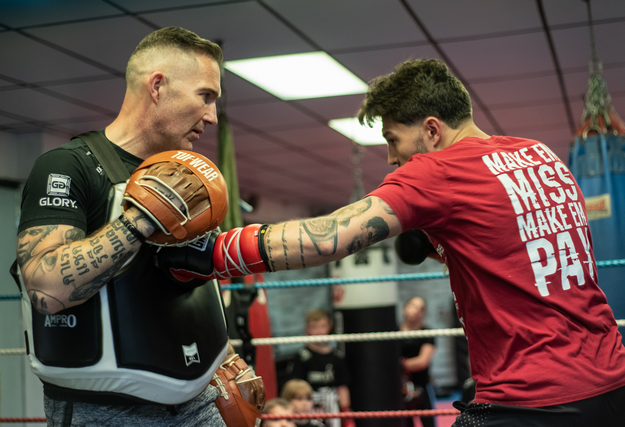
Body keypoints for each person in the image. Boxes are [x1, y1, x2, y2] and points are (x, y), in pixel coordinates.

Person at [178, 57, 625, 426]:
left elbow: (328, 239)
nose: (392, 158)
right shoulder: (540, 155)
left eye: (393, 140)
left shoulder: (440, 171)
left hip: (532, 400)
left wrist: (213, 252)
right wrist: (442, 245)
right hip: (612, 382)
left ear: (432, 130)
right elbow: (516, 248)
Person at [14, 27, 243, 426]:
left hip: (197, 397)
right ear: (157, 86)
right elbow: (45, 290)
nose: (211, 115)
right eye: (205, 96)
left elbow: (184, 282)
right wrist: (141, 219)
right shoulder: (69, 166)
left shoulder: (181, 176)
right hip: (108, 411)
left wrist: (225, 355)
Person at [288, 310, 354, 427]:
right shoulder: (302, 357)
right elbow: (294, 387)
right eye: (314, 327)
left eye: (323, 326)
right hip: (307, 405)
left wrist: (346, 414)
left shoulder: (336, 357)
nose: (319, 331)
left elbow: (342, 388)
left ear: (329, 328)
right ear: (307, 329)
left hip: (331, 406)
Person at [400, 297, 436, 427]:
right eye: (413, 306)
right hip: (400, 387)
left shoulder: (427, 333)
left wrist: (401, 364)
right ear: (405, 308)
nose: (416, 311)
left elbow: (422, 362)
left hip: (422, 384)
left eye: (421, 309)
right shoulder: (394, 332)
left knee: (429, 423)